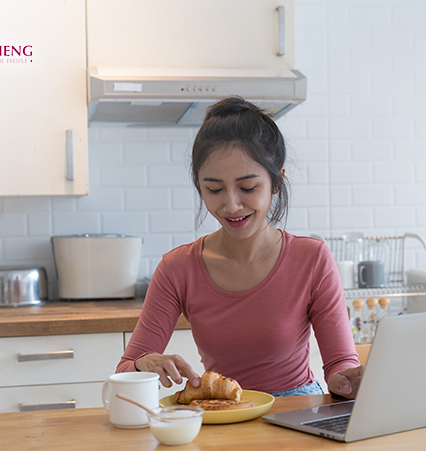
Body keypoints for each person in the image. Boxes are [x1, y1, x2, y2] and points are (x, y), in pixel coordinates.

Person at [117, 97, 363, 398]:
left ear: (276, 181)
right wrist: (144, 363)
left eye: (248, 188)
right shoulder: (177, 268)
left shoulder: (311, 258)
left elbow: (340, 363)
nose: (231, 205)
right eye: (214, 189)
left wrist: (346, 381)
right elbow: (125, 369)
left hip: (297, 412)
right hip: (221, 411)